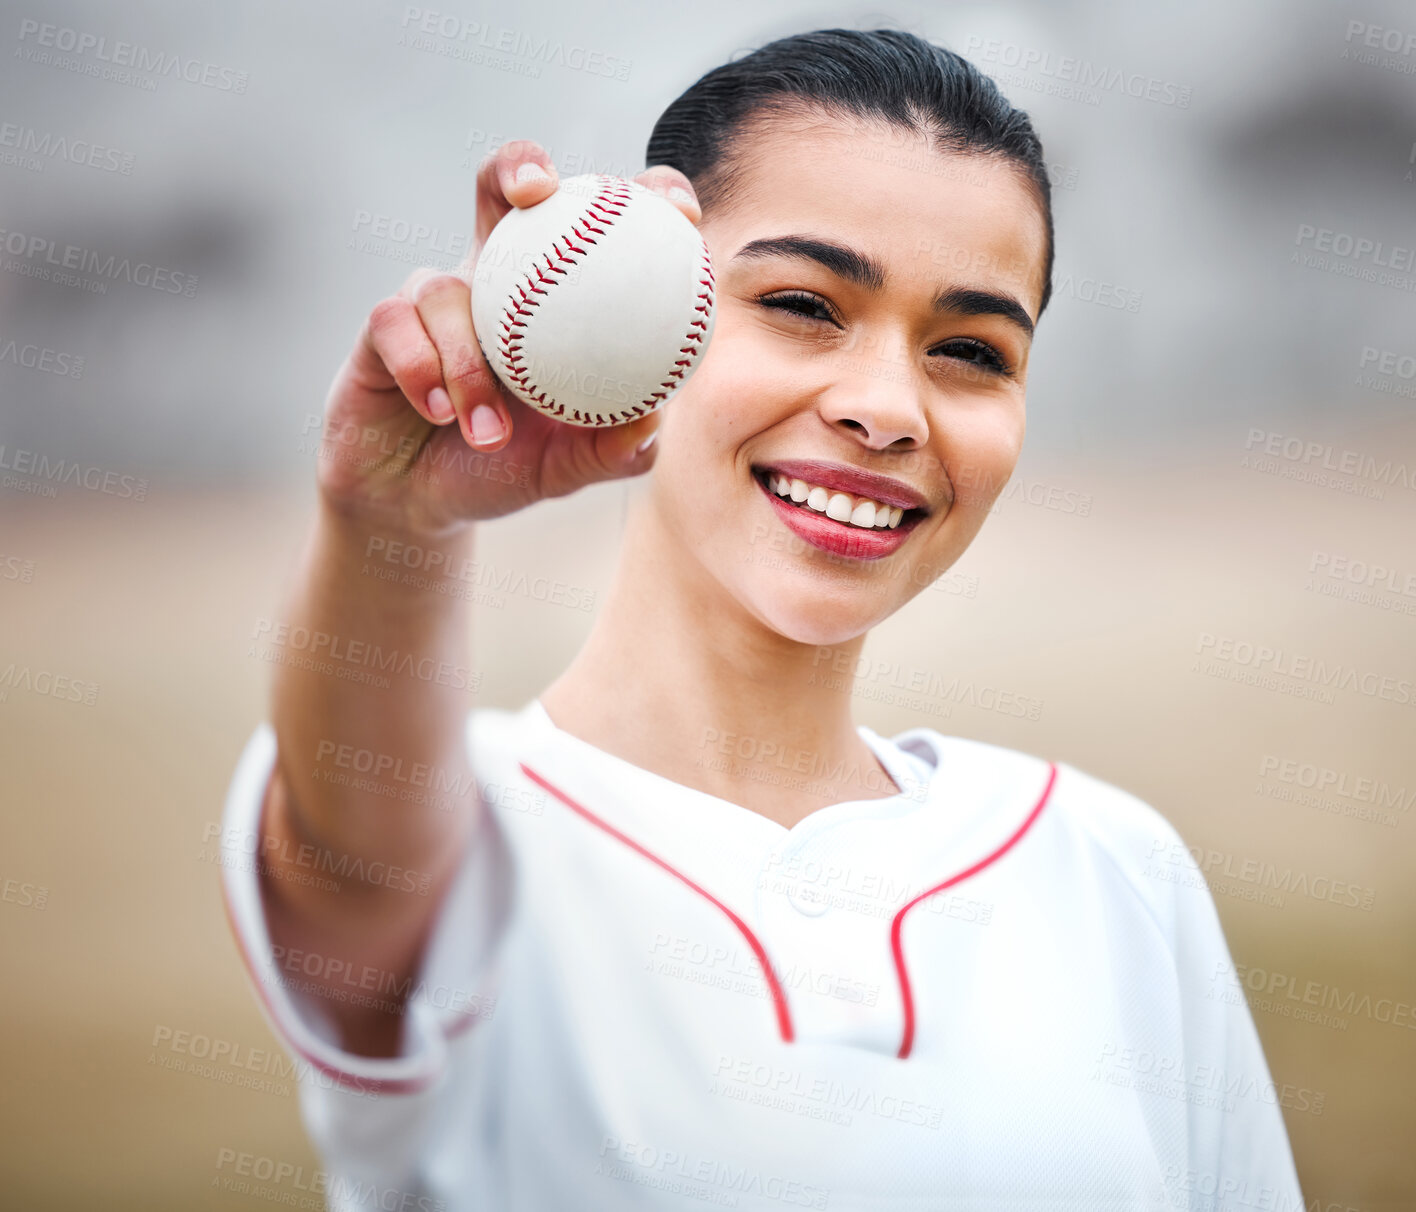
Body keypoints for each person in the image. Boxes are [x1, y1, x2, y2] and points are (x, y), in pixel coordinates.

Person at [219, 27, 1304, 1211]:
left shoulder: (1112, 868)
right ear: (651, 311)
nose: (889, 408)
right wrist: (389, 527)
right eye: (801, 302)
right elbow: (352, 863)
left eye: (970, 350)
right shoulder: (464, 841)